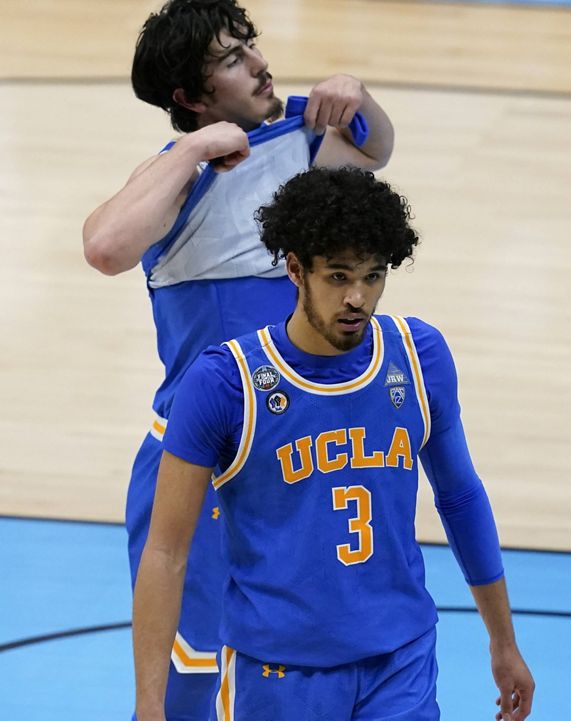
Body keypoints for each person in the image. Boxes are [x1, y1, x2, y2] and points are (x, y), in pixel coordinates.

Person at [82, 1, 395, 718]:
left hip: (294, 453)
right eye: (231, 59)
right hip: (202, 459)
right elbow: (105, 248)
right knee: (197, 679)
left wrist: (358, 94)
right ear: (191, 99)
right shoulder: (174, 178)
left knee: (292, 668)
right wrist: (192, 149)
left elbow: (375, 146)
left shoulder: (300, 138)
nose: (258, 63)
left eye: (250, 46)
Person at [132, 166, 535, 721]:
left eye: (373, 276)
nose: (357, 297)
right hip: (276, 673)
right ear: (295, 269)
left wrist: (503, 641)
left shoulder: (419, 357)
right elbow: (166, 551)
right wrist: (150, 703)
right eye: (339, 276)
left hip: (401, 659)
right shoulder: (226, 383)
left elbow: (461, 499)